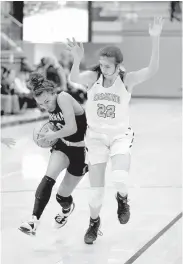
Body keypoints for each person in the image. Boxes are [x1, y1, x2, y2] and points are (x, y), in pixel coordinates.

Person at [67, 16, 163, 244]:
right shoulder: (93, 78)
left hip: (120, 136)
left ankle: (122, 199)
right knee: (95, 194)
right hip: (96, 139)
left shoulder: (127, 79)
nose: (103, 68)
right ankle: (93, 223)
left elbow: (152, 69)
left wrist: (155, 39)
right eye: (101, 64)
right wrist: (76, 59)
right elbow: (73, 78)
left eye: (107, 65)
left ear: (118, 65)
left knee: (120, 177)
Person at [19, 72, 88, 236]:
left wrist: (52, 135)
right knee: (48, 178)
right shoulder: (49, 104)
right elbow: (60, 126)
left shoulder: (63, 97)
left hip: (80, 151)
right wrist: (51, 132)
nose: (46, 107)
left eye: (47, 101)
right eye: (41, 105)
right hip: (63, 146)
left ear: (53, 93)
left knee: (62, 197)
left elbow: (72, 128)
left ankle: (66, 210)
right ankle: (33, 221)